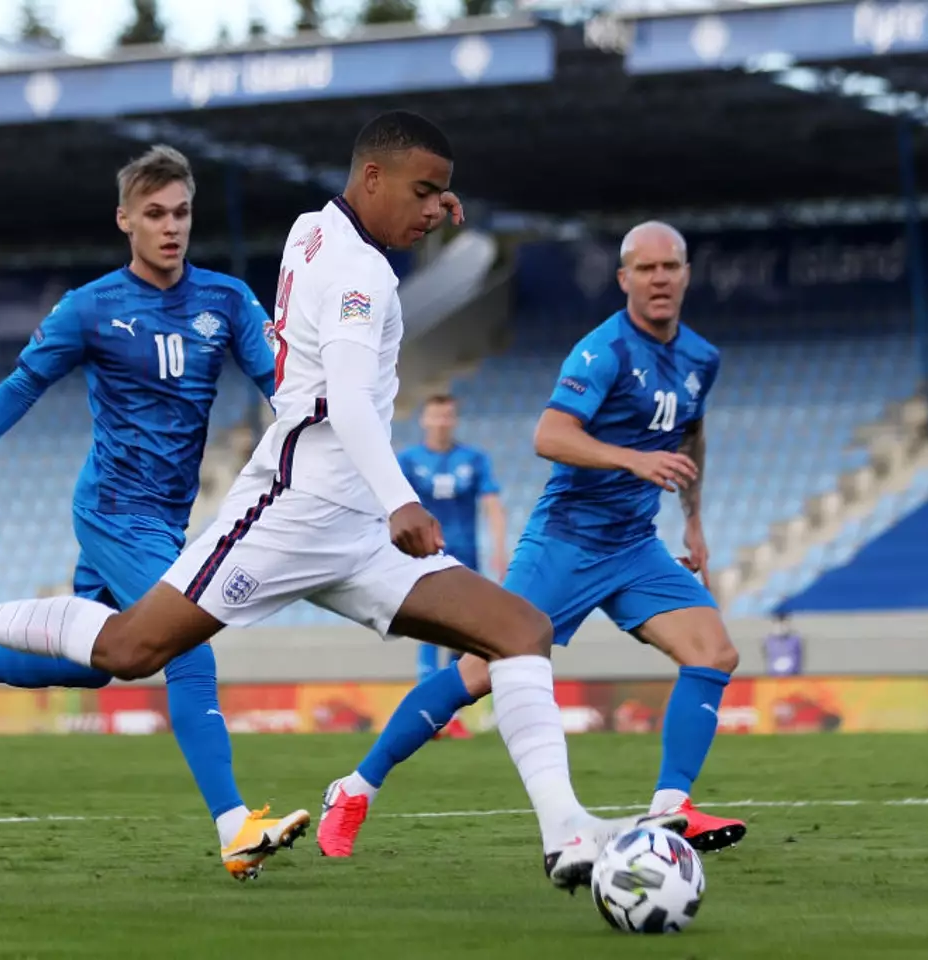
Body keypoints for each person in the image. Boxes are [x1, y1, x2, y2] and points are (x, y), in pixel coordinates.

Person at [0, 111, 685, 891]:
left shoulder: (312, 229)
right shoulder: (363, 278)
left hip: (352, 530)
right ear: (374, 179)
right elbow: (350, 403)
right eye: (423, 191)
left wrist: (420, 199)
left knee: (519, 629)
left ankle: (566, 831)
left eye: (440, 192)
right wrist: (403, 499)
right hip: (287, 513)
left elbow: (322, 313)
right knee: (138, 652)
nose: (434, 208)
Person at [0, 145, 303, 882]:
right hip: (113, 509)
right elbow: (22, 385)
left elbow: (284, 389)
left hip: (167, 517)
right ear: (126, 220)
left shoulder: (227, 300)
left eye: (181, 212)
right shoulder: (90, 307)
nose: (171, 227)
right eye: (154, 214)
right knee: (187, 644)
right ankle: (235, 826)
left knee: (97, 666)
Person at [315, 221, 748, 859]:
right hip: (566, 543)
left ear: (685, 274)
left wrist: (693, 523)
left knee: (714, 652)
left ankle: (670, 808)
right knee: (477, 674)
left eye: (671, 267)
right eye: (645, 268)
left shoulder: (700, 359)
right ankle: (355, 788)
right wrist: (632, 461)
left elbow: (691, 436)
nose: (659, 279)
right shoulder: (603, 351)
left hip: (635, 546)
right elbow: (549, 435)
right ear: (624, 278)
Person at [397, 393, 506, 737]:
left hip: (466, 562)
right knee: (428, 631)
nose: (441, 422)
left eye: (447, 416)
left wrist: (500, 547)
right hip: (424, 558)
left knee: (465, 636)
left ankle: (450, 716)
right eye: (435, 416)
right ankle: (428, 718)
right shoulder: (409, 461)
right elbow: (395, 506)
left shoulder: (473, 459)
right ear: (424, 420)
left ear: (454, 419)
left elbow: (491, 504)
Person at [763, 612, 804, 676]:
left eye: (784, 624)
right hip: (773, 678)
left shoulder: (795, 640)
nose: (781, 627)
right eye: (778, 624)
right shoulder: (769, 641)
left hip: (792, 677)